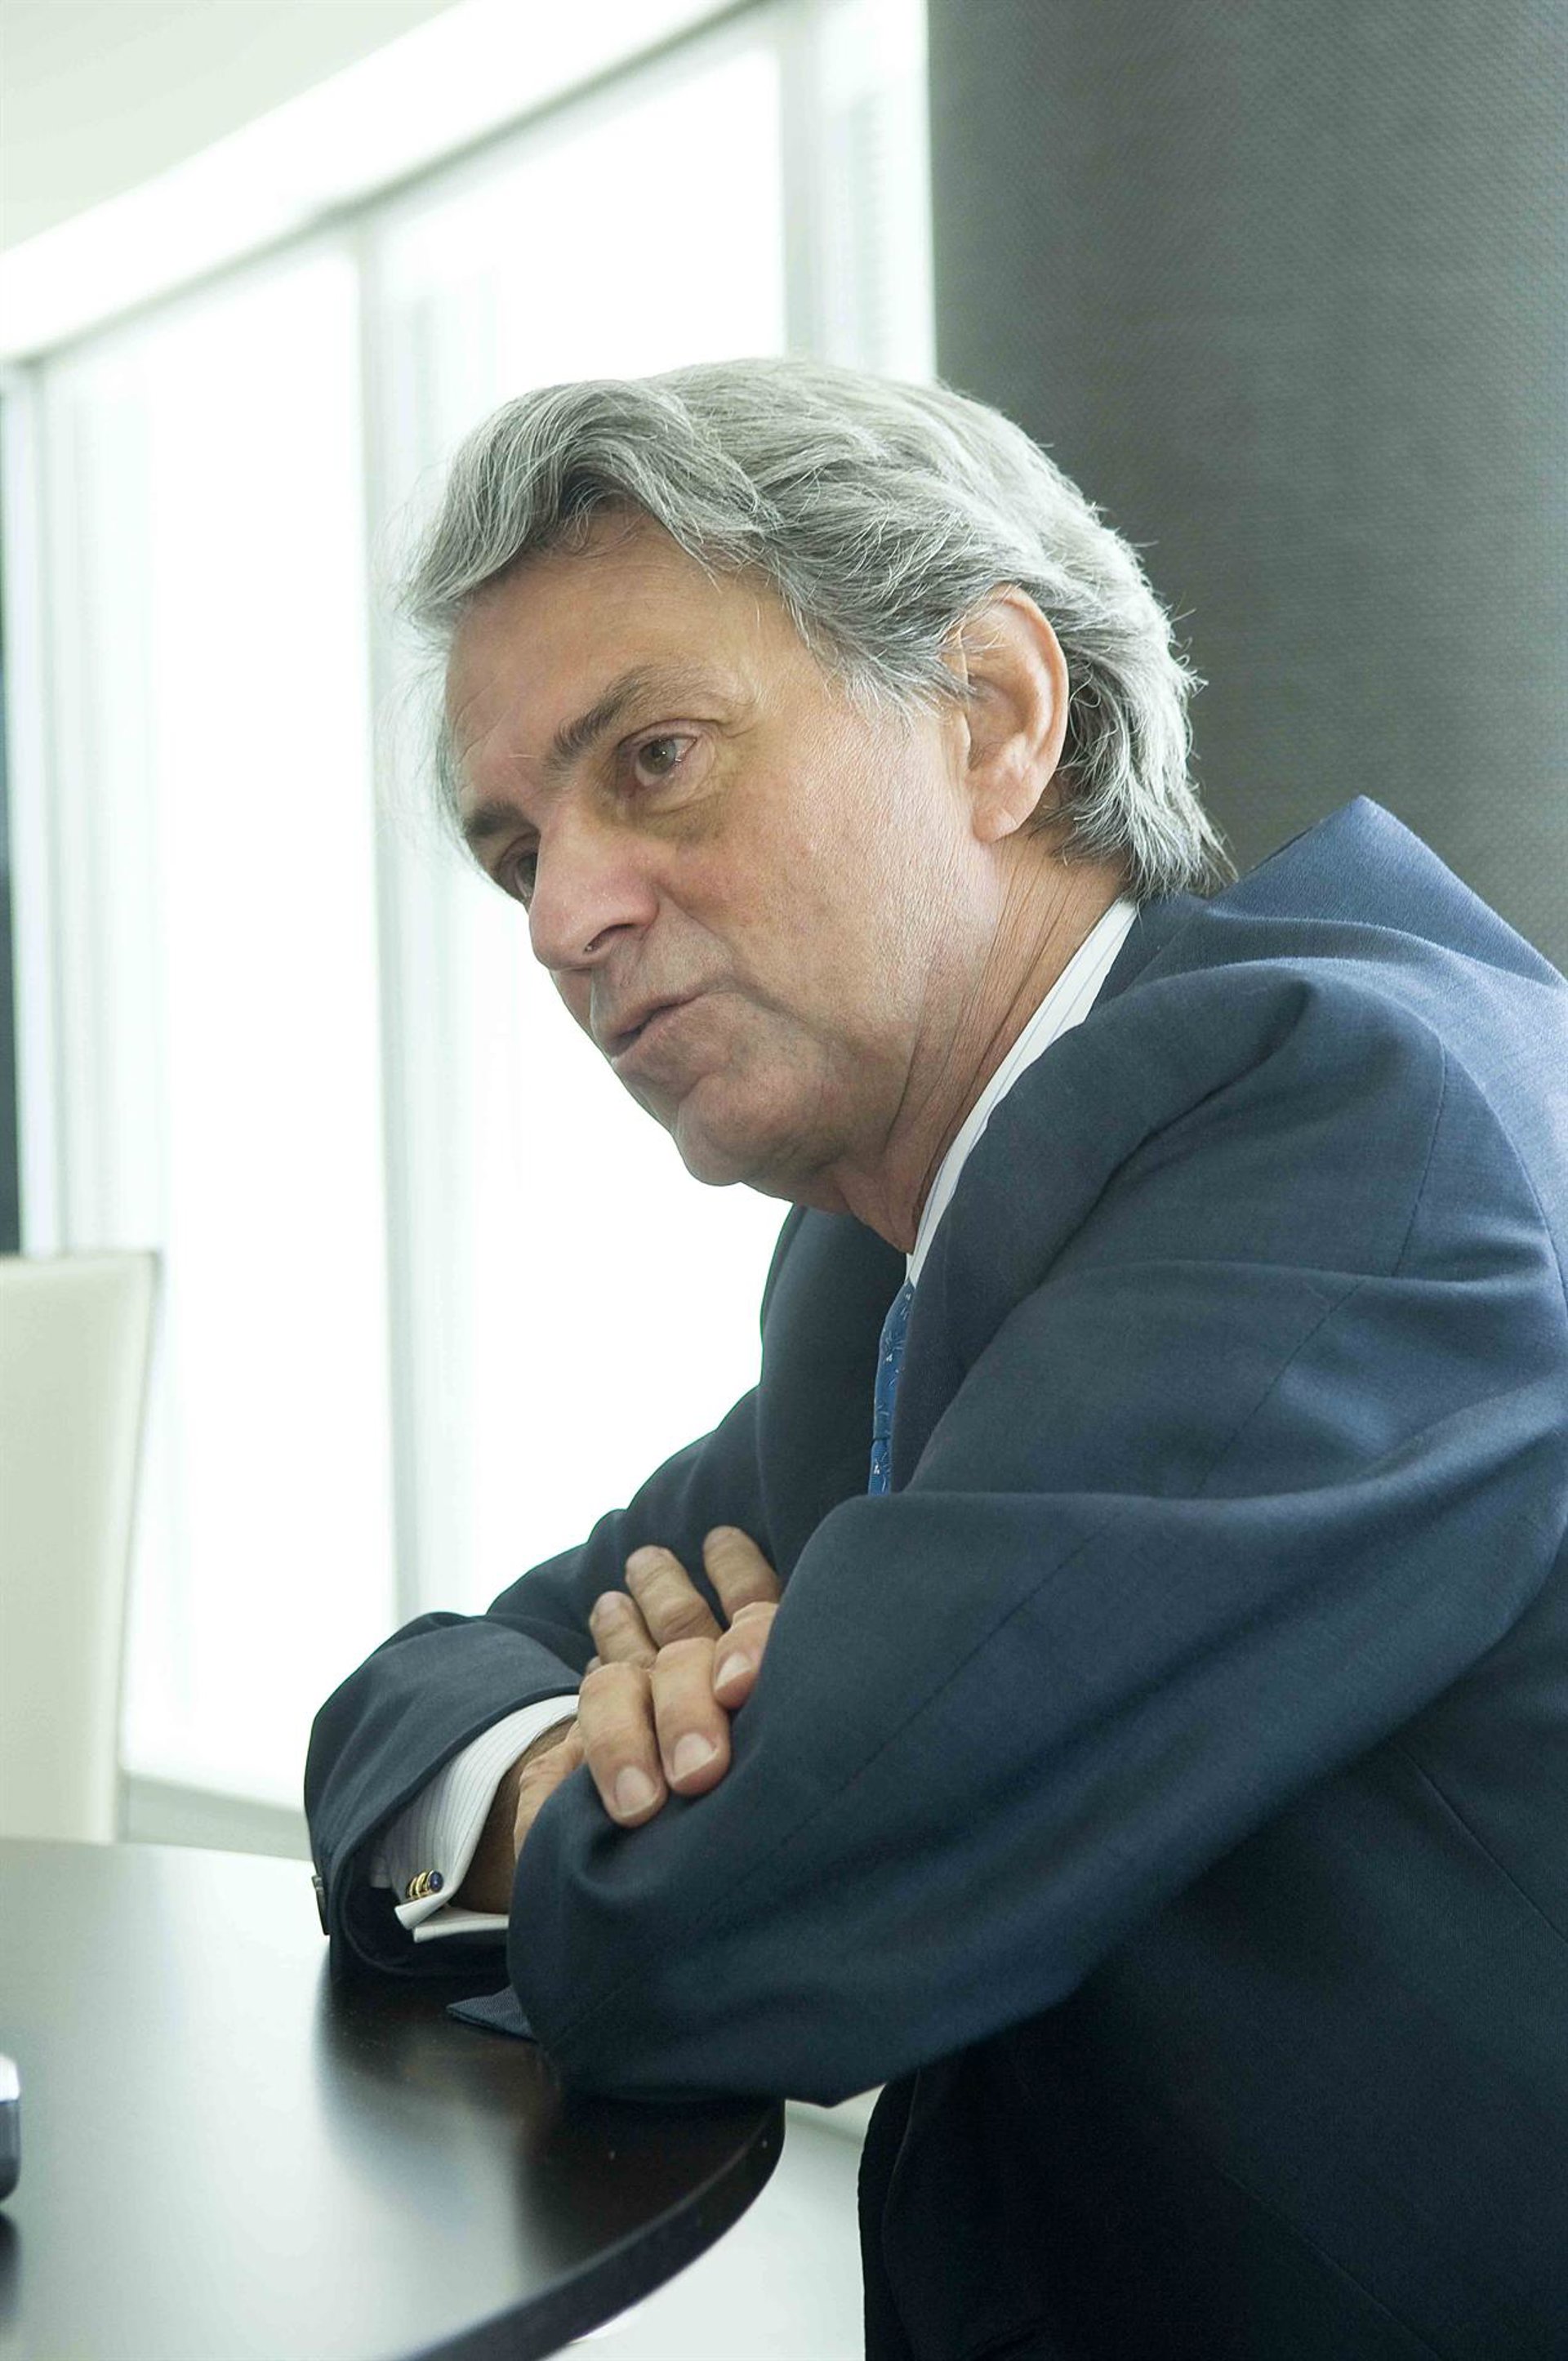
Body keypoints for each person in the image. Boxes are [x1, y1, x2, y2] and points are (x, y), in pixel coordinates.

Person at [306, 356, 1568, 2359]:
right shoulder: (881, 1257)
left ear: (992, 714)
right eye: (515, 850)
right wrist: (557, 1758)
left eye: (654, 760)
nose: (562, 920)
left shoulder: (1355, 1131)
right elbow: (422, 1686)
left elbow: (729, 1932)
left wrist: (650, 1813)